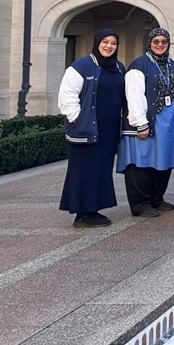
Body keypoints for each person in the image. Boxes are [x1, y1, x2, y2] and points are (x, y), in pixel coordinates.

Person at [58, 28, 126, 228]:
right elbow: (67, 97)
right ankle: (83, 213)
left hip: (108, 130)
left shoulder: (118, 67)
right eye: (105, 42)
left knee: (100, 170)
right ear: (97, 43)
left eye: (113, 43)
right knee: (83, 170)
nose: (109, 46)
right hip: (87, 129)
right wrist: (80, 121)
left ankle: (92, 208)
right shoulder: (81, 66)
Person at [117, 28, 174, 217]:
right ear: (149, 43)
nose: (160, 45)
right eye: (156, 42)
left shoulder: (171, 64)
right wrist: (141, 123)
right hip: (147, 122)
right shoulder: (139, 65)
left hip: (167, 123)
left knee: (162, 161)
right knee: (141, 163)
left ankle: (157, 198)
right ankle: (140, 204)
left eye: (164, 42)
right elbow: (134, 96)